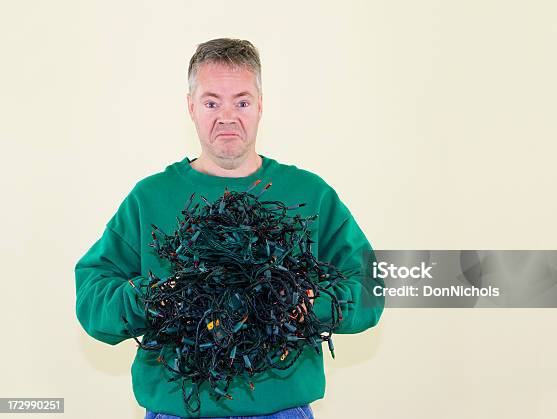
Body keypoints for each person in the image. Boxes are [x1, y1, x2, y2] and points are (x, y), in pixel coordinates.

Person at [75, 38, 385, 419]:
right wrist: (155, 299)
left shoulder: (311, 195)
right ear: (190, 107)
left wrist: (303, 304)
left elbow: (370, 285)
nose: (227, 116)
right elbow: (92, 299)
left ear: (260, 105)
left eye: (241, 101)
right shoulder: (149, 198)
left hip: (281, 411)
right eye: (210, 102)